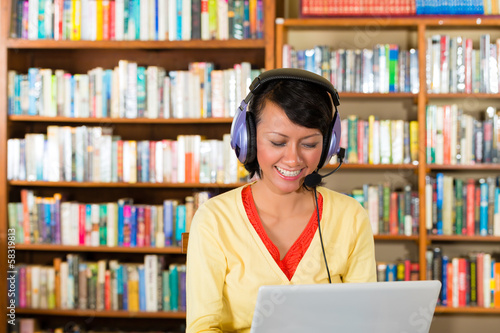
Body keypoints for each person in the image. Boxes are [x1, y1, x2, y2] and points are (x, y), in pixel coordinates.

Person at [186, 68, 377, 333]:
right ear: (247, 139)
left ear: (328, 147)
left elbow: (365, 321)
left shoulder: (351, 217)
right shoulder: (214, 219)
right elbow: (201, 328)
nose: (292, 159)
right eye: (277, 142)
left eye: (309, 144)